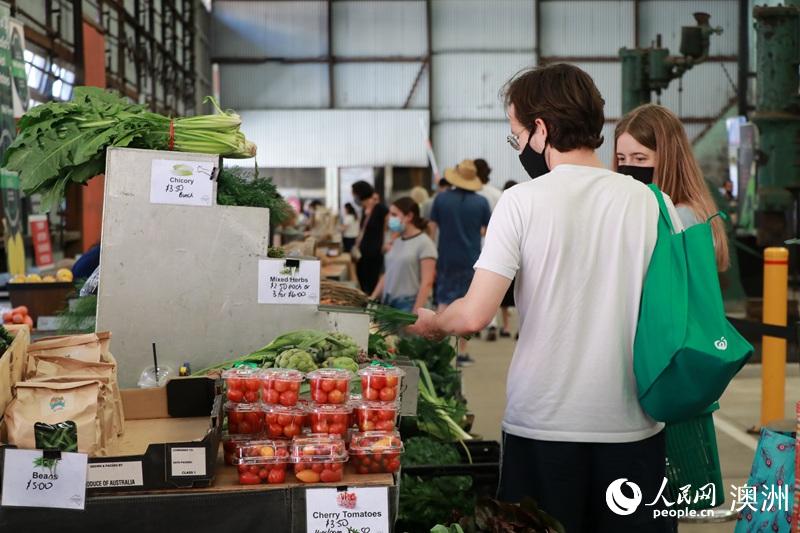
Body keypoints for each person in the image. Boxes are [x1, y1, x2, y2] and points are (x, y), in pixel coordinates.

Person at [409, 63, 677, 532]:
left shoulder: (522, 202)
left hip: (545, 421)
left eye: (517, 136)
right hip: (634, 422)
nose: (518, 149)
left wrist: (433, 323)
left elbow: (473, 315)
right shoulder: (653, 202)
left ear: (542, 128)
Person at [615, 103, 729, 272]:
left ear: (669, 160)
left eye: (640, 159)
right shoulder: (656, 211)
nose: (628, 169)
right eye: (621, 159)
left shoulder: (682, 217)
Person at [429, 159, 491, 366]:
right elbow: (487, 232)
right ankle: (462, 353)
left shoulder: (441, 199)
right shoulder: (481, 203)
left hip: (445, 256)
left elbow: (432, 228)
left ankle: (440, 350)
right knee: (467, 304)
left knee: (443, 302)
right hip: (471, 259)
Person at [369, 197, 437, 313]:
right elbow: (389, 273)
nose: (390, 218)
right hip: (388, 303)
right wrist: (372, 299)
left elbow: (427, 282)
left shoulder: (425, 243)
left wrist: (415, 313)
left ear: (409, 216)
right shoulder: (397, 241)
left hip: (408, 305)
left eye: (394, 214)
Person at [474, 158, 504, 341]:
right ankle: (492, 323)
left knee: (474, 286)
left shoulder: (472, 194)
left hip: (473, 243)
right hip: (493, 243)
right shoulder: (496, 193)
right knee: (492, 286)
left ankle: (475, 322)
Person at [351, 181, 389, 295]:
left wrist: (385, 243)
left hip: (375, 254)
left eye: (354, 194)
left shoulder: (380, 209)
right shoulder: (364, 210)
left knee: (372, 284)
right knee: (363, 283)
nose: (354, 197)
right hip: (363, 254)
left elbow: (387, 228)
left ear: (360, 194)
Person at [498, 180, 518, 338]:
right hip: (521, 260)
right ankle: (519, 328)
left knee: (505, 299)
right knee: (521, 297)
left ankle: (505, 327)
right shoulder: (522, 207)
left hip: (506, 259)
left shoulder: (502, 208)